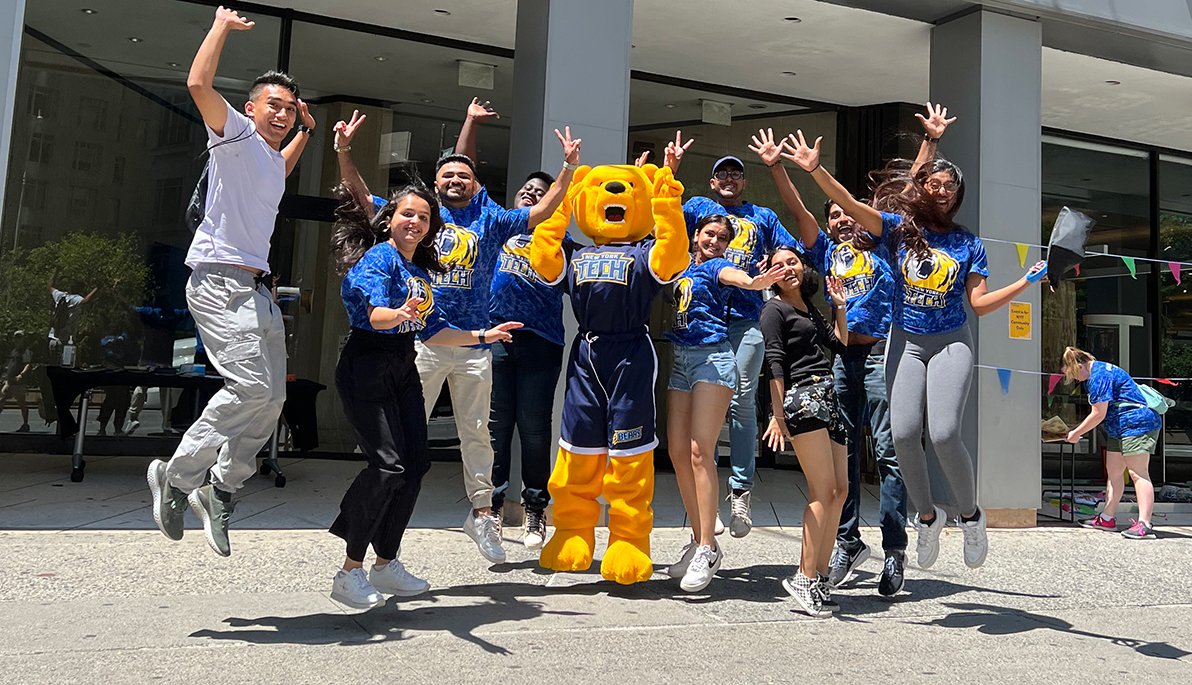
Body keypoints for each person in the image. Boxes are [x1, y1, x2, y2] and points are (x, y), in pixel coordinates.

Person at [783, 128, 1047, 573]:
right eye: (934, 184)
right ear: (922, 189)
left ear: (958, 195)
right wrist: (814, 169)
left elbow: (979, 305)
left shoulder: (967, 243)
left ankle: (971, 516)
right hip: (906, 340)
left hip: (951, 341)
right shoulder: (897, 232)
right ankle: (927, 518)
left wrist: (1027, 281)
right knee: (903, 435)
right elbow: (849, 203)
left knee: (943, 434)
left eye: (951, 186)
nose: (942, 191)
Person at [335, 106, 579, 565]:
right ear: (436, 182)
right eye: (446, 174)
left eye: (463, 175)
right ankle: (383, 539)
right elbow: (363, 200)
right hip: (422, 341)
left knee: (477, 433)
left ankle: (482, 514)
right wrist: (345, 151)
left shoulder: (492, 221)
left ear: (476, 184)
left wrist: (567, 167)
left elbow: (544, 209)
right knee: (409, 444)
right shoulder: (422, 218)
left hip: (472, 341)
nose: (455, 180)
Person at [751, 107, 951, 595]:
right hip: (839, 358)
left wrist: (929, 142)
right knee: (838, 454)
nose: (839, 219)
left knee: (887, 450)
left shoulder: (884, 243)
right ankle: (846, 542)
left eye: (844, 212)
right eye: (834, 216)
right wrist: (777, 166)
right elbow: (799, 211)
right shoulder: (821, 252)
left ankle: (894, 549)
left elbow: (905, 197)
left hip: (883, 354)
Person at [146, 5, 315, 558]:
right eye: (276, 106)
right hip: (220, 282)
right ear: (250, 109)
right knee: (249, 389)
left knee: (270, 401)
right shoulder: (236, 135)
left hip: (258, 291)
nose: (283, 115)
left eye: (290, 109)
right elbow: (197, 82)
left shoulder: (269, 157)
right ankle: (177, 475)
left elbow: (283, 169)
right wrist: (220, 26)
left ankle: (222, 489)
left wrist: (310, 132)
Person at [327, 181, 521, 608]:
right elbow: (376, 317)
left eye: (423, 217)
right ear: (388, 220)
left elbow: (434, 330)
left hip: (402, 364)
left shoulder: (418, 271)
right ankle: (349, 571)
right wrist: (397, 314)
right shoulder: (381, 257)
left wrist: (482, 334)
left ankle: (385, 562)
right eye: (406, 214)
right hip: (368, 363)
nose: (414, 222)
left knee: (415, 466)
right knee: (389, 466)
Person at [655, 131, 800, 539]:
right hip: (700, 327)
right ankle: (707, 500)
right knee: (698, 422)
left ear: (744, 182)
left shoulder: (764, 217)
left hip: (746, 320)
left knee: (740, 400)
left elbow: (790, 255)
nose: (730, 179)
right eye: (723, 174)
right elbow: (665, 218)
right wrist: (670, 168)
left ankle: (740, 490)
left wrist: (776, 278)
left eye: (737, 174)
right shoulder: (698, 208)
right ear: (713, 181)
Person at [455, 97, 567, 551]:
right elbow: (463, 170)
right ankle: (493, 511)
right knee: (495, 427)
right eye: (526, 190)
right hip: (495, 336)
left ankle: (537, 510)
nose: (531, 194)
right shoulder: (497, 224)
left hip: (542, 341)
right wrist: (470, 122)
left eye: (541, 192)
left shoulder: (564, 245)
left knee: (536, 427)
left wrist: (569, 169)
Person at [666, 215, 786, 592]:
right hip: (681, 360)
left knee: (701, 451)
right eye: (709, 235)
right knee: (676, 453)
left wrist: (755, 282)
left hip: (713, 361)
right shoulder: (678, 262)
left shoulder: (718, 266)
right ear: (696, 236)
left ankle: (705, 549)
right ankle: (705, 540)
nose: (715, 242)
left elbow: (738, 278)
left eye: (722, 238)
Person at [758, 245, 849, 617]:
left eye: (792, 262)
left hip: (828, 396)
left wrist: (839, 305)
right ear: (772, 276)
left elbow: (838, 343)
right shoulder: (773, 310)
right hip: (802, 399)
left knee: (839, 491)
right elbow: (774, 364)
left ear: (803, 267)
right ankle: (803, 575)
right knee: (821, 490)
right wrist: (777, 417)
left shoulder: (808, 307)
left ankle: (821, 577)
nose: (787, 269)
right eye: (778, 265)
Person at [1063, 347, 1162, 540]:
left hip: (1136, 423)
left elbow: (1099, 413)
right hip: (1119, 426)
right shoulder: (1099, 371)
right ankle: (1107, 518)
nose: (1075, 379)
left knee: (1138, 473)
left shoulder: (1098, 376)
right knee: (1114, 472)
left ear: (1080, 365)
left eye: (1073, 374)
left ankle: (1145, 524)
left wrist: (1076, 433)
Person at [1, 331, 33, 432]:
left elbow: (27, 364)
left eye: (19, 337)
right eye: (16, 338)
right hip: (10, 381)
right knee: (1, 400)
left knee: (21, 403)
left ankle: (25, 424)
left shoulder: (25, 351)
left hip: (19, 383)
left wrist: (21, 374)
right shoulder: (13, 351)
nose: (17, 340)